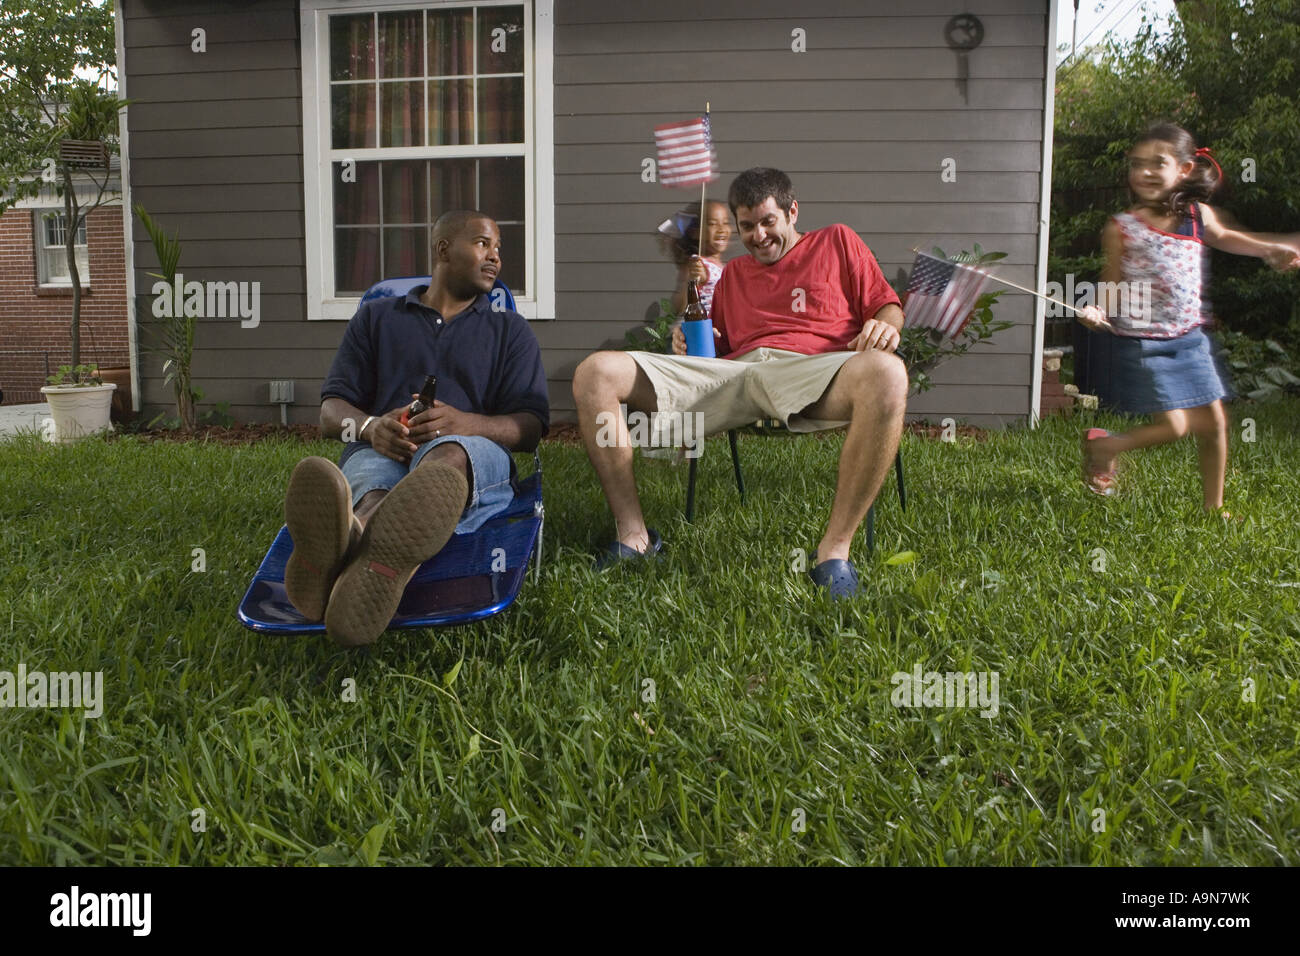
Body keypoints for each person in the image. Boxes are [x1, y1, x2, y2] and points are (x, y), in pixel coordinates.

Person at [571, 167, 908, 599]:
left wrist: (885, 325)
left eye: (769, 222)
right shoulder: (732, 276)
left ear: (792, 212)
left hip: (812, 370)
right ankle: (634, 537)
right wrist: (696, 340)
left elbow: (887, 306)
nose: (758, 235)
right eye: (747, 226)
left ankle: (833, 553)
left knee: (888, 372)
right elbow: (721, 346)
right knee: (596, 372)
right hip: (734, 373)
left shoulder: (836, 241)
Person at [282, 210, 549, 646]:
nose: (496, 257)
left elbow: (531, 427)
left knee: (448, 457)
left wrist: (465, 423)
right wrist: (371, 427)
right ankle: (371, 550)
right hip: (383, 449)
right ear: (444, 248)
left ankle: (351, 546)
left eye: (499, 248)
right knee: (372, 483)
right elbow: (331, 412)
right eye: (483, 243)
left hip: (470, 453)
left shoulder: (510, 330)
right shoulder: (376, 318)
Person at [1077, 123, 1299, 513]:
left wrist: (1270, 249)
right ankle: (1105, 446)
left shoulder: (1197, 216)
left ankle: (1214, 509)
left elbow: (1229, 238)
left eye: (1157, 163)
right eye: (1136, 164)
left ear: (1183, 169)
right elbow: (1110, 282)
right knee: (1176, 427)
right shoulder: (1122, 228)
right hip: (1146, 343)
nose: (1144, 172)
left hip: (1190, 338)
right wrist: (1097, 309)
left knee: (1213, 424)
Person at [662, 199, 732, 317]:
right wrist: (691, 280)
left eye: (725, 223)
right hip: (703, 328)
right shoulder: (698, 264)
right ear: (695, 233)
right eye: (712, 224)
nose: (721, 229)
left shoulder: (722, 266)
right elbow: (679, 306)